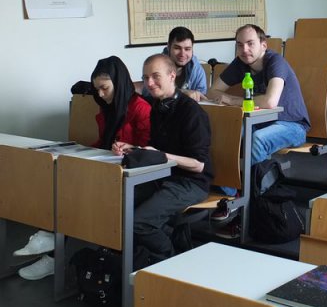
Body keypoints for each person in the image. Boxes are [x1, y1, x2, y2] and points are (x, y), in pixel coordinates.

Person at [14, 56, 152, 280]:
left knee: (76, 191)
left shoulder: (141, 108)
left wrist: (128, 149)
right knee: (63, 179)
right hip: (109, 169)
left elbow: (148, 149)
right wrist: (79, 150)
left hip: (133, 175)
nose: (100, 94)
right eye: (97, 89)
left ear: (119, 84)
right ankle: (49, 244)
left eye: (105, 88)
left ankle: (51, 250)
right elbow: (104, 143)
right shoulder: (107, 108)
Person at [114, 54, 212, 267]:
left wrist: (161, 155)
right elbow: (157, 148)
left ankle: (171, 261)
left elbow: (199, 165)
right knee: (117, 207)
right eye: (145, 77)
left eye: (155, 76)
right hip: (164, 176)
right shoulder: (158, 107)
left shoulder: (192, 112)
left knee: (138, 222)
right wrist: (135, 149)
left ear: (172, 76)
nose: (149, 83)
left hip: (191, 182)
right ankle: (149, 251)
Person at [209, 24, 310, 165]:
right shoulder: (240, 63)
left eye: (250, 43)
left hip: (292, 125)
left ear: (263, 45)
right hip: (259, 123)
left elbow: (270, 102)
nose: (244, 50)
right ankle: (228, 180)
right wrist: (225, 98)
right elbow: (212, 91)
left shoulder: (275, 62)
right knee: (229, 132)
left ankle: (254, 179)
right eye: (240, 45)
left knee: (258, 139)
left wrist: (231, 100)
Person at [138, 27, 208, 101]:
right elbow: (148, 94)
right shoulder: (155, 65)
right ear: (168, 47)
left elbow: (202, 97)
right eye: (177, 48)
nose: (182, 54)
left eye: (187, 49)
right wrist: (181, 93)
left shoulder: (197, 69)